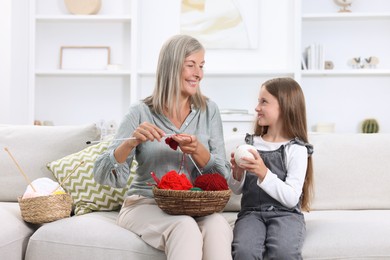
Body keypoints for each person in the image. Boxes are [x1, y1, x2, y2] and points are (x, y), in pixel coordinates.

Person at [93, 34, 232, 260]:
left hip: (193, 204)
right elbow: (104, 175)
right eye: (191, 65)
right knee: (184, 227)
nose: (199, 73)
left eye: (201, 66)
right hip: (145, 203)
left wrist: (198, 151)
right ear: (171, 67)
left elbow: (222, 179)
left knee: (217, 225)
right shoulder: (140, 111)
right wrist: (131, 142)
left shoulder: (209, 110)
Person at [229, 77, 314, 260]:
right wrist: (237, 174)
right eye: (258, 101)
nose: (257, 107)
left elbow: (292, 198)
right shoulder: (250, 143)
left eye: (263, 102)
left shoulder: (296, 149)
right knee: (244, 252)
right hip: (251, 213)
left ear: (284, 107)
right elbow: (237, 190)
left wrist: (264, 173)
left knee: (284, 253)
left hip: (286, 215)